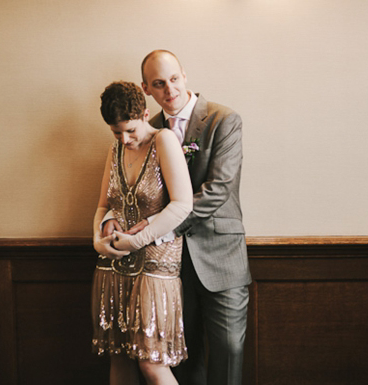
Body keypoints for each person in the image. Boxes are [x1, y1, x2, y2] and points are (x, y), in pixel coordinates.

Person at [103, 50, 252, 385]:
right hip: (166, 267)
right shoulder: (145, 129)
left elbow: (219, 189)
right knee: (182, 357)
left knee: (228, 352)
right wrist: (110, 220)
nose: (169, 89)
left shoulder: (222, 120)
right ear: (146, 89)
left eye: (173, 79)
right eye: (158, 83)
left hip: (220, 260)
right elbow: (130, 190)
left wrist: (158, 230)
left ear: (184, 75)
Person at [91, 81, 193, 385]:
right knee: (119, 356)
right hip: (114, 263)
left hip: (156, 264)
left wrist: (136, 240)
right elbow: (102, 206)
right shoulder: (115, 149)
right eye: (116, 132)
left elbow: (182, 204)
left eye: (131, 130)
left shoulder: (164, 140)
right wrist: (98, 241)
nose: (125, 139)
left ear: (146, 114)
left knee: (152, 362)